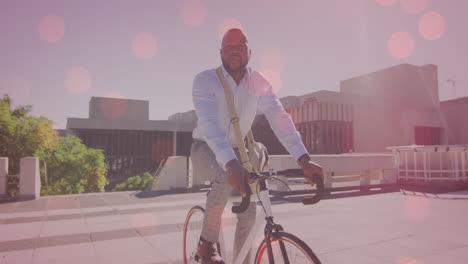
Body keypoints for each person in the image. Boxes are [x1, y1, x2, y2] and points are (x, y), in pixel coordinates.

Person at [191, 28, 324, 264]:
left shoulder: (258, 82)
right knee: (224, 173)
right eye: (228, 46)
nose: (234, 50)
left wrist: (303, 159)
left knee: (249, 209)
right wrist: (231, 164)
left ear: (249, 51)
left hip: (239, 151)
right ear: (220, 52)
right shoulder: (206, 80)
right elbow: (209, 125)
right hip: (205, 148)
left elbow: (279, 117)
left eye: (240, 45)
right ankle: (206, 243)